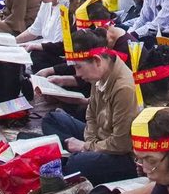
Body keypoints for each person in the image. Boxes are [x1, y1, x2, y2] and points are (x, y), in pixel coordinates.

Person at [40, 31, 139, 185]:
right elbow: (91, 113)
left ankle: (65, 154)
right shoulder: (100, 73)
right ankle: (66, 152)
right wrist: (89, 142)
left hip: (120, 154)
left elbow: (121, 144)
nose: (78, 74)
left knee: (77, 164)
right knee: (52, 119)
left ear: (97, 60)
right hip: (98, 139)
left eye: (79, 67)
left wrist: (85, 147)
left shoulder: (124, 88)